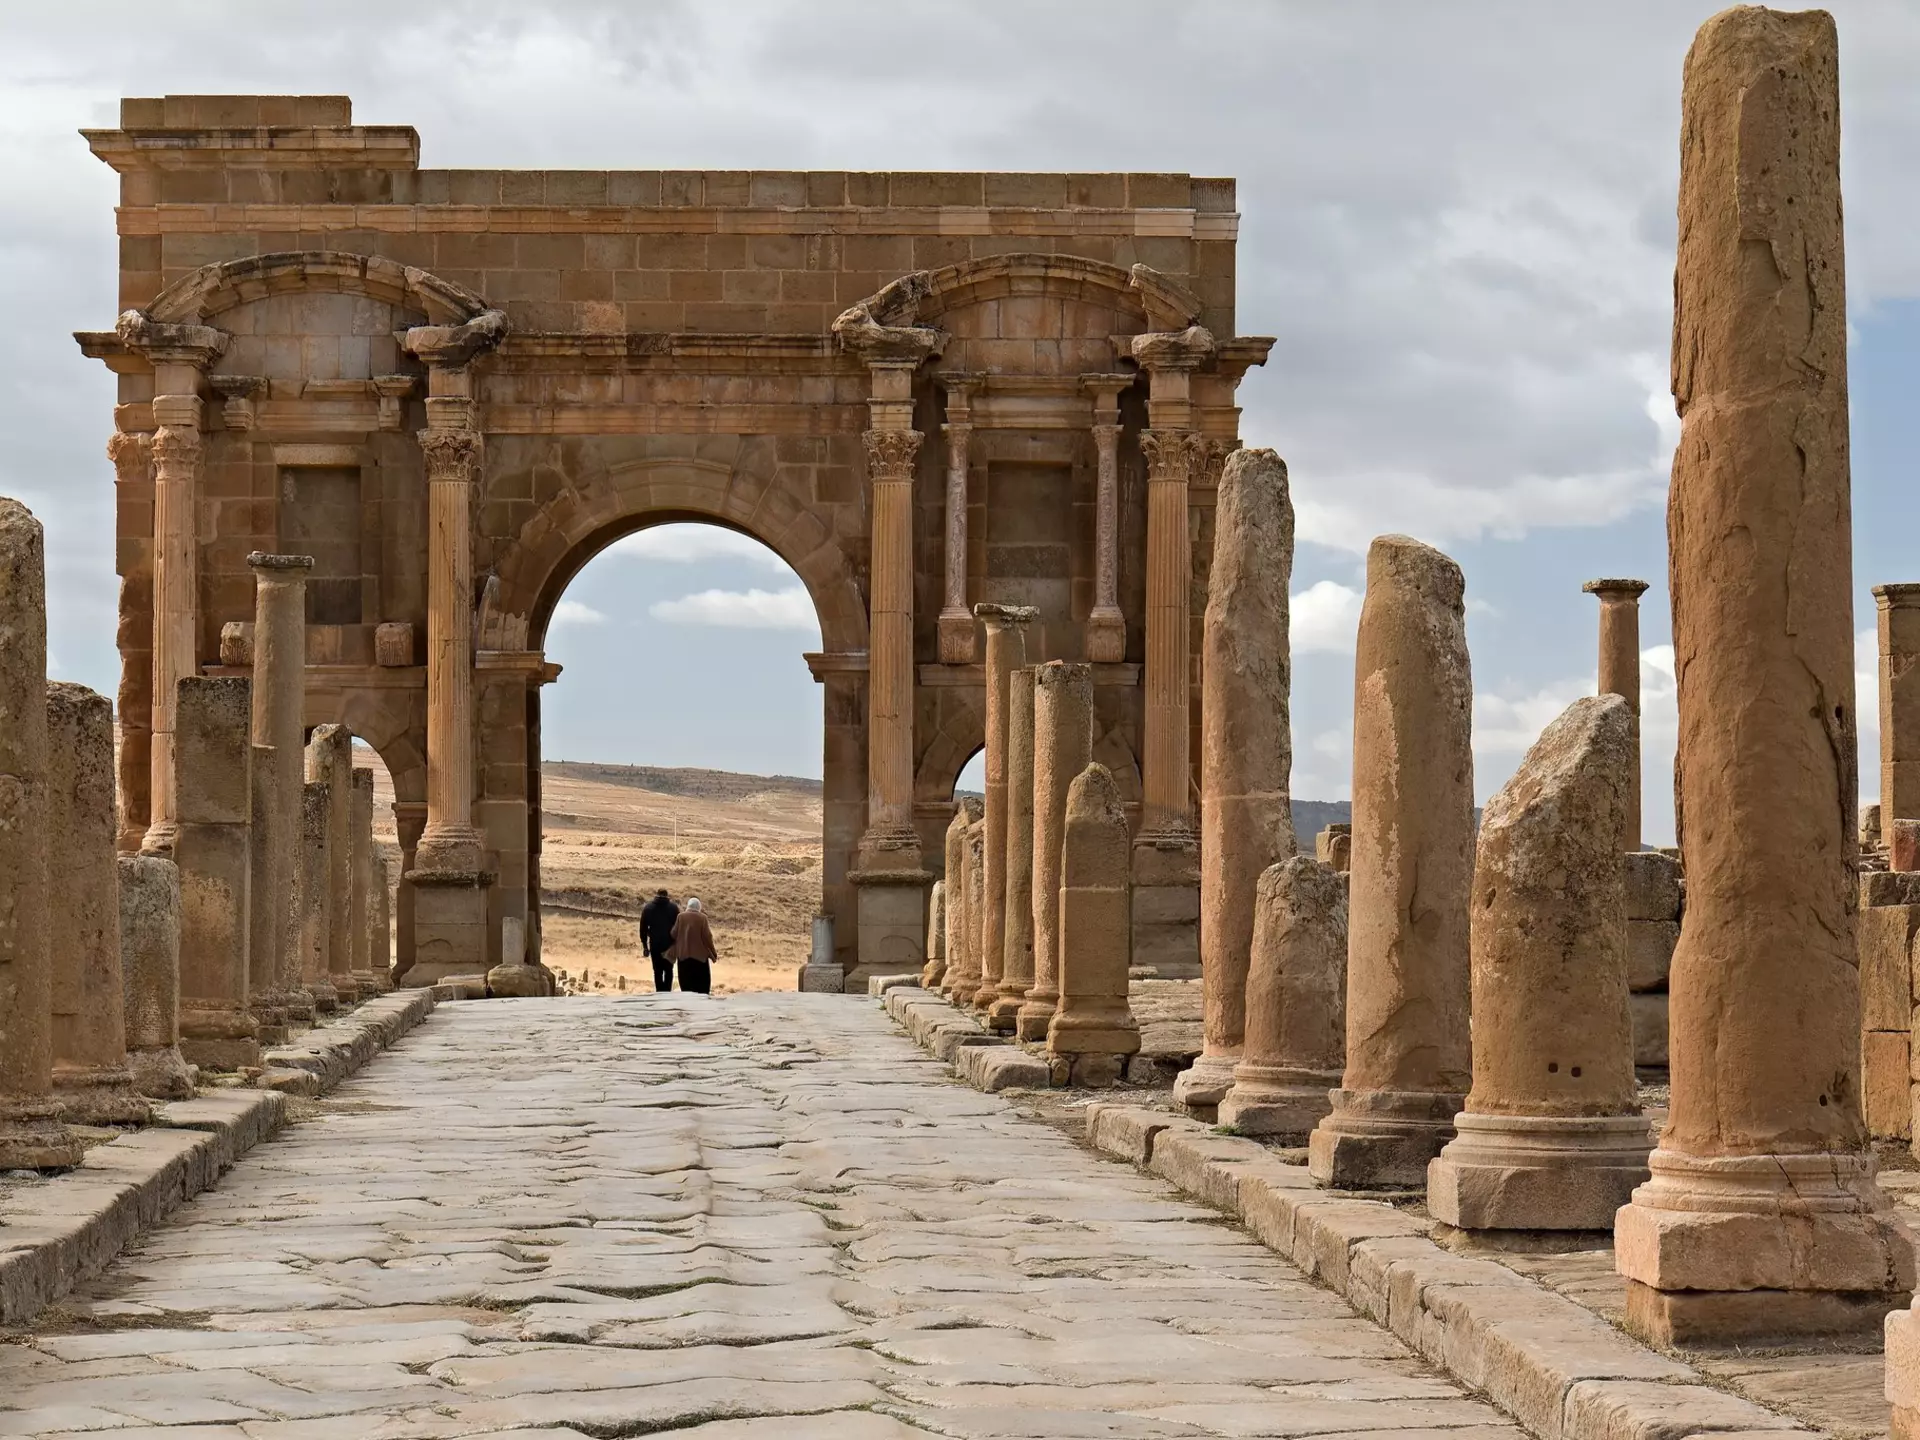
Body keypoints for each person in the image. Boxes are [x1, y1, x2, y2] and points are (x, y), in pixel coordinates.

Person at [669, 897, 718, 995]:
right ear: (699, 907)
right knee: (702, 989)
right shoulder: (703, 918)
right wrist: (713, 953)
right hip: (700, 959)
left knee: (686, 988)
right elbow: (708, 937)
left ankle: (688, 1009)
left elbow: (673, 934)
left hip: (683, 957)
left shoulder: (680, 917)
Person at [639, 888, 679, 992]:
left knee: (657, 971)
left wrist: (645, 946)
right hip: (669, 945)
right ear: (667, 896)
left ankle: (659, 993)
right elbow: (678, 928)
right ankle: (667, 993)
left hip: (655, 945)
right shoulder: (673, 908)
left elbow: (643, 929)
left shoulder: (648, 908)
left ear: (656, 895)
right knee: (669, 971)